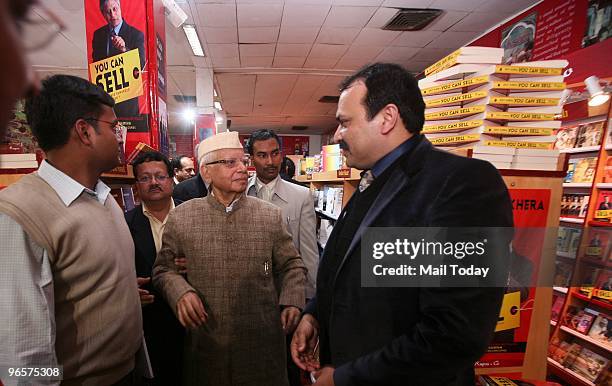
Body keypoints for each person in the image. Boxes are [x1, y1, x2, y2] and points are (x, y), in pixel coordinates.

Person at [290, 63, 514, 386]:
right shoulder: (373, 181)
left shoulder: (463, 186)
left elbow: (454, 334)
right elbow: (352, 270)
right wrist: (314, 313)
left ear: (387, 118)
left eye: (344, 123)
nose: (338, 134)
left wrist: (345, 378)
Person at [0, 75, 143, 385]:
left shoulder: (103, 197)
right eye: (113, 126)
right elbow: (21, 348)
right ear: (84, 131)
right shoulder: (18, 213)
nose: (120, 137)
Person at [153, 131, 307, 386]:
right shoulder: (183, 217)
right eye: (229, 162)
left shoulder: (269, 216)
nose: (242, 169)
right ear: (206, 172)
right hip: (207, 346)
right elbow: (163, 270)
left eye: (242, 161)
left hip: (262, 348)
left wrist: (292, 301)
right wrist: (180, 292)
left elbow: (291, 264)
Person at [246, 129, 319, 386]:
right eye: (262, 155)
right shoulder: (238, 194)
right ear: (251, 159)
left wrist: (308, 306)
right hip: (249, 298)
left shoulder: (301, 196)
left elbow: (308, 253)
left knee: (288, 365)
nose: (270, 162)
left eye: (275, 153)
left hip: (288, 300)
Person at [125, 151, 184, 386]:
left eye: (160, 176)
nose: (153, 183)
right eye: (145, 178)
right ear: (136, 185)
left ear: (171, 179)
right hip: (149, 328)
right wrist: (127, 290)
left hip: (193, 323)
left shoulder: (194, 216)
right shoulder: (123, 223)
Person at [92, 0, 145, 119]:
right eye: (108, 12)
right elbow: (96, 65)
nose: (112, 15)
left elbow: (140, 65)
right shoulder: (98, 35)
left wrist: (124, 49)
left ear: (120, 8)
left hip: (127, 105)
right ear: (103, 14)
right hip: (105, 104)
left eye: (115, 9)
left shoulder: (136, 34)